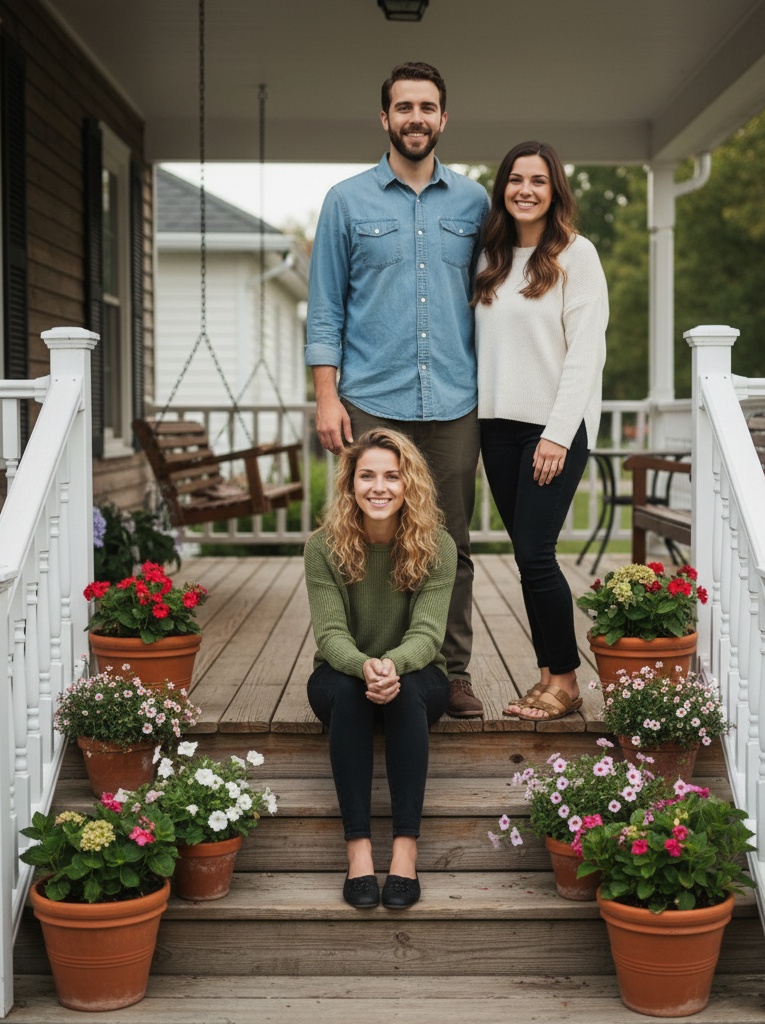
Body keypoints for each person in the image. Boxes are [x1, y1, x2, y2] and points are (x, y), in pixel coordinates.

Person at [305, 61, 489, 719]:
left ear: (444, 118)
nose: (416, 118)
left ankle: (453, 670)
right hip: (369, 400)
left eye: (428, 107)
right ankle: (349, 658)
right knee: (358, 534)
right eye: (404, 107)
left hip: (454, 400)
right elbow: (325, 307)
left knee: (452, 542)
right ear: (385, 118)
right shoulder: (346, 201)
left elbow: (494, 298)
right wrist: (327, 396)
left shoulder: (474, 203)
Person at [473, 141, 609, 722]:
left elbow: (585, 354)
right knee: (527, 554)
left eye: (538, 180)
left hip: (552, 428)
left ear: (555, 191)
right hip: (496, 427)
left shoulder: (577, 256)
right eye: (514, 179)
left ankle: (567, 683)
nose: (524, 189)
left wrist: (557, 433)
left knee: (535, 553)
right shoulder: (490, 258)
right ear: (502, 187)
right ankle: (549, 675)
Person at [305, 428, 455, 910]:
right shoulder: (323, 547)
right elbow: (330, 637)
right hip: (342, 671)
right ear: (350, 484)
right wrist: (366, 666)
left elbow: (429, 636)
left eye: (392, 476)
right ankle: (360, 853)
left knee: (409, 691)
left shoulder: (438, 546)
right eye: (367, 475)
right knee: (348, 694)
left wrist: (391, 666)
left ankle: (406, 853)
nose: (379, 487)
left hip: (417, 674)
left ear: (409, 484)